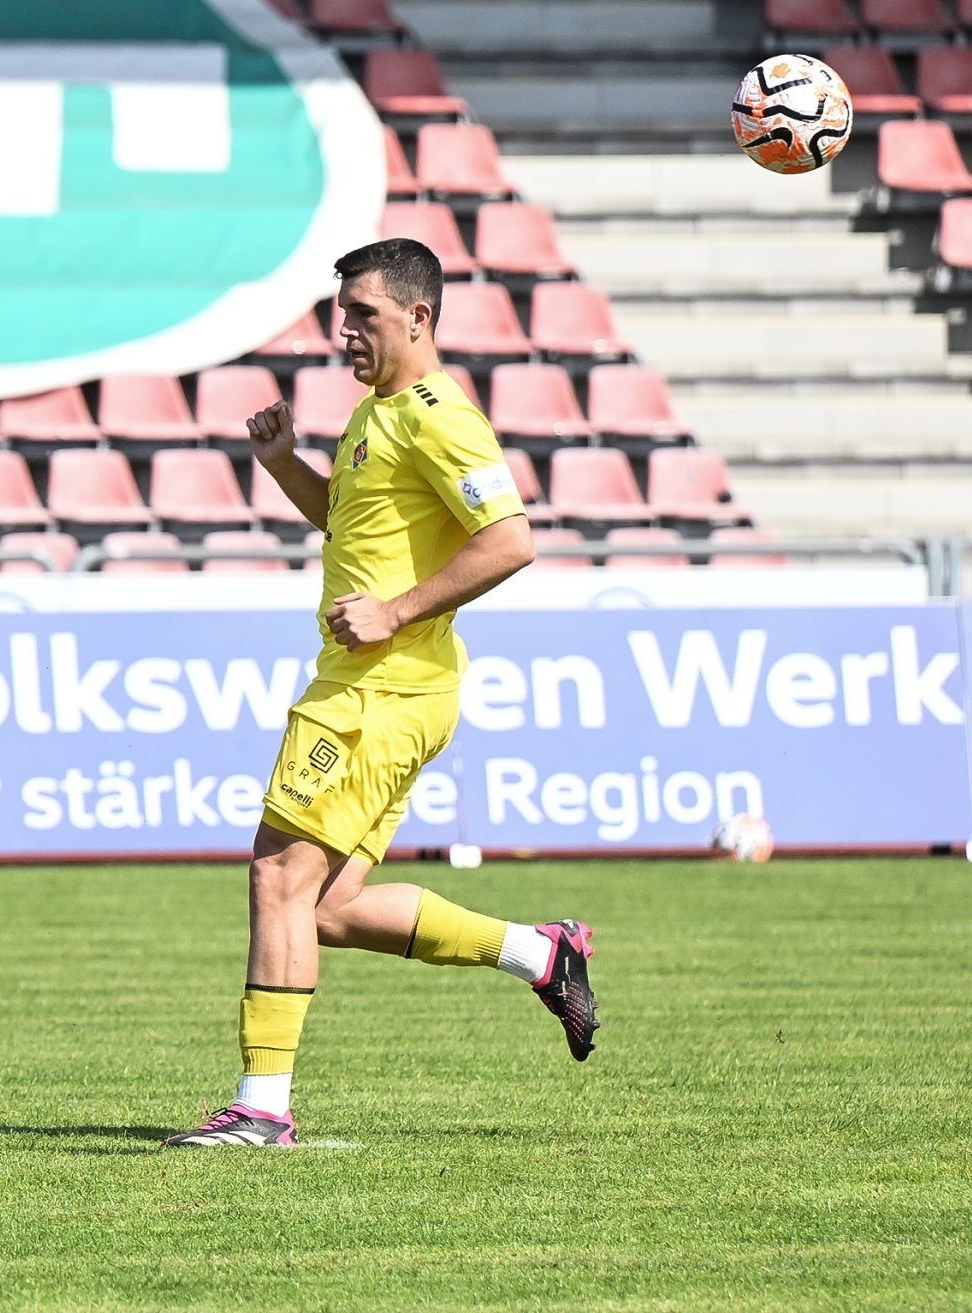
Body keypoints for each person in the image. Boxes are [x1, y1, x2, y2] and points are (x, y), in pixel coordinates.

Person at [162, 239, 596, 1150]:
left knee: (278, 876)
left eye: (363, 312)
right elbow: (350, 521)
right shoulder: (376, 413)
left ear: (418, 316)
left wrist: (394, 611)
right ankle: (540, 951)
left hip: (377, 689)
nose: (345, 329)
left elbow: (510, 539)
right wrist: (283, 463)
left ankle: (261, 1107)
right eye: (342, 313)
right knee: (323, 906)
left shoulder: (441, 416)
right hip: (389, 689)